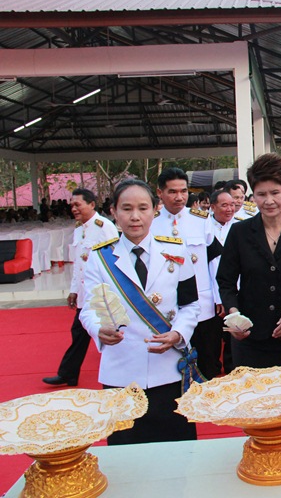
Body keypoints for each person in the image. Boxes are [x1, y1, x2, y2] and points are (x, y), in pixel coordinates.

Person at [80, 179, 200, 444]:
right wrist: (98, 329)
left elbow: (190, 304)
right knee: (126, 454)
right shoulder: (100, 258)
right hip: (122, 371)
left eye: (143, 208)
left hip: (169, 370)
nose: (135, 217)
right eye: (126, 209)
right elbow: (89, 307)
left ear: (155, 209)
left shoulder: (176, 250)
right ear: (113, 211)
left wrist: (179, 333)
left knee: (177, 452)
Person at [217, 154, 281, 380]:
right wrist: (234, 314)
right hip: (249, 340)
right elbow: (225, 281)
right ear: (253, 197)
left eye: (275, 193)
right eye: (261, 194)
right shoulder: (239, 233)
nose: (269, 200)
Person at [43, 188, 119, 387]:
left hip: (103, 293)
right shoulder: (79, 229)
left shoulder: (105, 227)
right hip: (86, 294)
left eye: (78, 204)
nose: (74, 209)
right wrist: (74, 290)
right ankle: (68, 374)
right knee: (79, 333)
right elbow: (78, 264)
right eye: (72, 205)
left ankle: (115, 373)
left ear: (92, 204)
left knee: (110, 334)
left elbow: (114, 261)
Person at [151, 168, 218, 379]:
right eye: (172, 192)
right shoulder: (150, 222)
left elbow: (215, 261)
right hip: (167, 305)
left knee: (207, 362)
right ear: (160, 192)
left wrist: (219, 296)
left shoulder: (201, 219)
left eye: (183, 191)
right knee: (172, 366)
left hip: (202, 305)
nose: (179, 197)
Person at [204, 189, 237, 378]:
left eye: (232, 205)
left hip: (235, 291)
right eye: (224, 205)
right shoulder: (203, 227)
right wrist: (217, 297)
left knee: (234, 334)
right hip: (210, 293)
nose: (230, 209)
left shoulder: (241, 227)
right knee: (212, 338)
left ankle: (234, 370)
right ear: (213, 206)